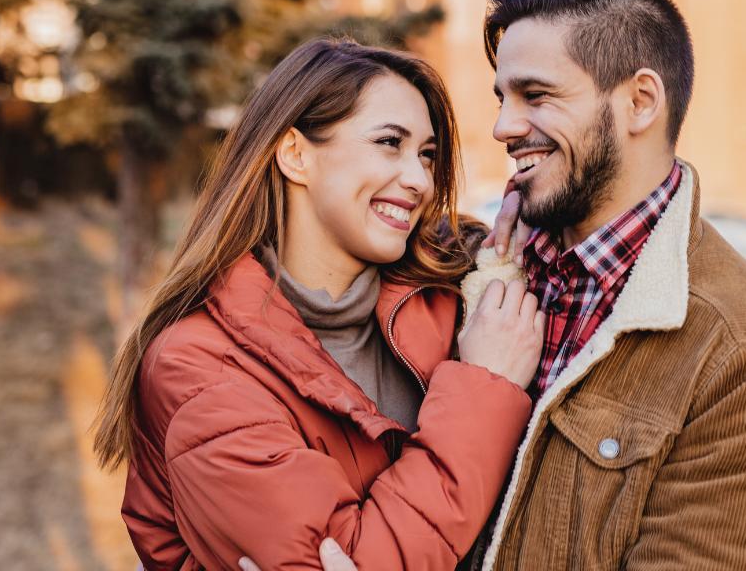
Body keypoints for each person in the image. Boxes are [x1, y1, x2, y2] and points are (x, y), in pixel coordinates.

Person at [93, 38, 544, 570]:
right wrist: (485, 387)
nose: (420, 179)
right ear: (295, 155)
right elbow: (351, 560)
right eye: (388, 143)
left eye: (426, 154)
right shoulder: (197, 370)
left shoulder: (457, 291)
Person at [467, 0, 746, 569]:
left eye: (537, 95)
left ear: (639, 102)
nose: (504, 126)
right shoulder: (484, 267)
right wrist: (490, 264)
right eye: (502, 98)